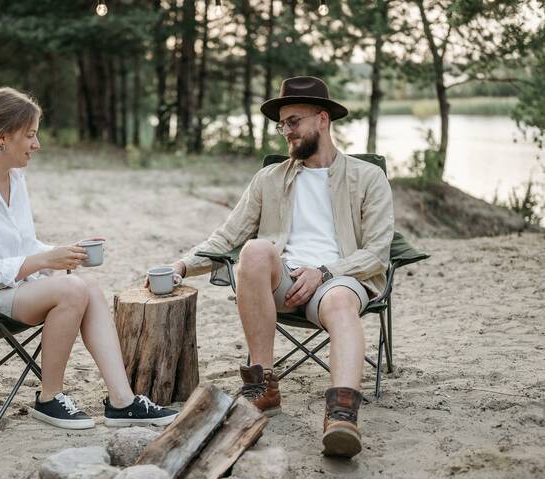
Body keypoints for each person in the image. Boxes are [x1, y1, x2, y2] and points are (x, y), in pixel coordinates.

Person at [163, 77, 393, 458]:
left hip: (337, 280)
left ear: (322, 119)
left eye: (294, 121)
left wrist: (325, 271)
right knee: (254, 250)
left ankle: (341, 415)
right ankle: (263, 386)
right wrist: (182, 266)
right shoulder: (268, 179)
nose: (286, 131)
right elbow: (228, 236)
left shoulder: (367, 177)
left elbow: (378, 252)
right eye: (281, 123)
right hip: (281, 282)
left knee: (338, 303)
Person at [0, 87, 177, 430]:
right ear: (2, 137)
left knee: (86, 284)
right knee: (70, 291)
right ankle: (49, 397)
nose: (37, 144)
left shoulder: (15, 177)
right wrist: (46, 262)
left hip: (7, 289)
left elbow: (23, 244)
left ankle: (123, 401)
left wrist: (63, 253)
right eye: (30, 135)